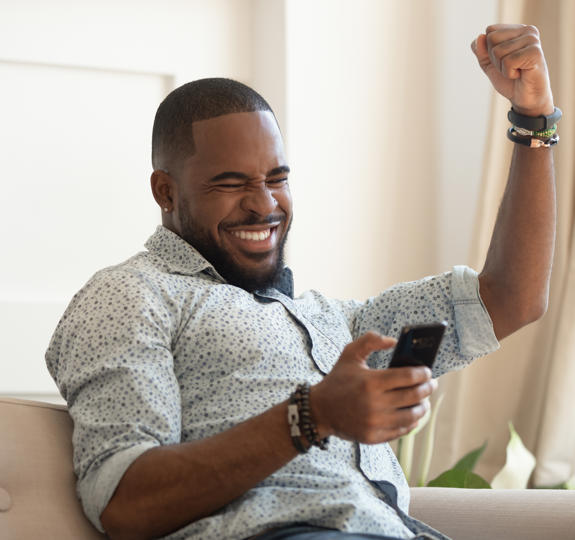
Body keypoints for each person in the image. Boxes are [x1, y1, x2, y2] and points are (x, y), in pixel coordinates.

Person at [46, 23, 558, 540]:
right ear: (165, 192)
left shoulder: (338, 323)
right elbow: (125, 505)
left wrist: (533, 122)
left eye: (277, 179)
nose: (264, 204)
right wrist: (312, 415)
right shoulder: (130, 295)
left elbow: (511, 298)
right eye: (231, 183)